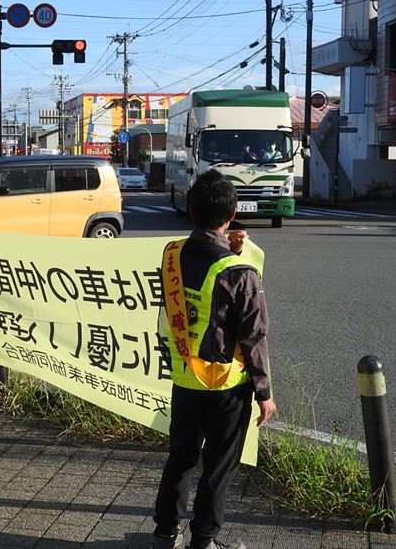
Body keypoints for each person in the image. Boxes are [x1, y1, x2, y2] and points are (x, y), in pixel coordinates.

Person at [151, 170, 276, 549]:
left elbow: (202, 284)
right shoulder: (241, 271)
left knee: (181, 457)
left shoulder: (172, 254)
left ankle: (165, 532)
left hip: (185, 379)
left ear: (189, 208)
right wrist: (264, 392)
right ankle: (203, 540)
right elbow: (253, 335)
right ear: (233, 212)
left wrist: (228, 246)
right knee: (219, 466)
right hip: (226, 384)